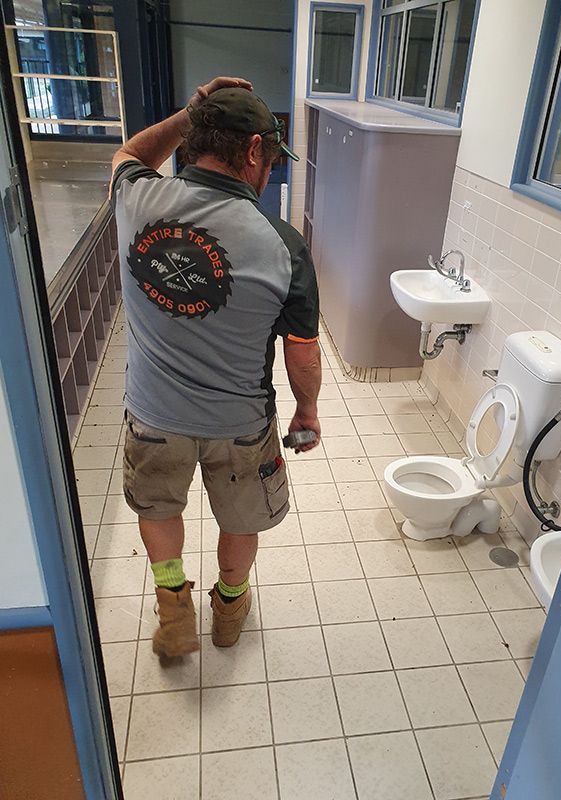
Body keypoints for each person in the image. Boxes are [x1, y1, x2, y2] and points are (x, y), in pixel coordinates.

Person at [109, 77, 321, 659]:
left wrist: (189, 113)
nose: (269, 172)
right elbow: (301, 348)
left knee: (158, 506)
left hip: (153, 413)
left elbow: (128, 154)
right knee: (240, 516)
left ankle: (173, 604)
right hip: (240, 425)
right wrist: (307, 410)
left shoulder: (136, 199)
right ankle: (228, 609)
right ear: (254, 150)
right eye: (271, 159)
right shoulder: (283, 246)